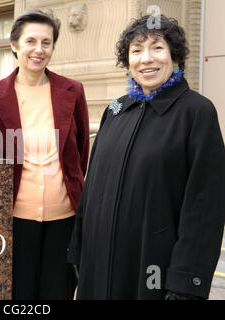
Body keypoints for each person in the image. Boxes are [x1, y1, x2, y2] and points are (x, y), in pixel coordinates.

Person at [68, 14, 225, 300]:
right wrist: (78, 254)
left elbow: (205, 208)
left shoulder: (197, 113)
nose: (146, 59)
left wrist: (186, 284)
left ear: (174, 56)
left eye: (157, 48)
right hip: (97, 271)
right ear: (128, 61)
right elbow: (91, 191)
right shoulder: (115, 110)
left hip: (155, 278)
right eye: (137, 50)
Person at [0, 8, 89, 300]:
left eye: (46, 42)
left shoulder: (72, 90)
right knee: (18, 292)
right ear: (14, 45)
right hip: (13, 217)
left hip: (64, 217)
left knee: (59, 291)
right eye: (30, 41)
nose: (39, 50)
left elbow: (80, 150)